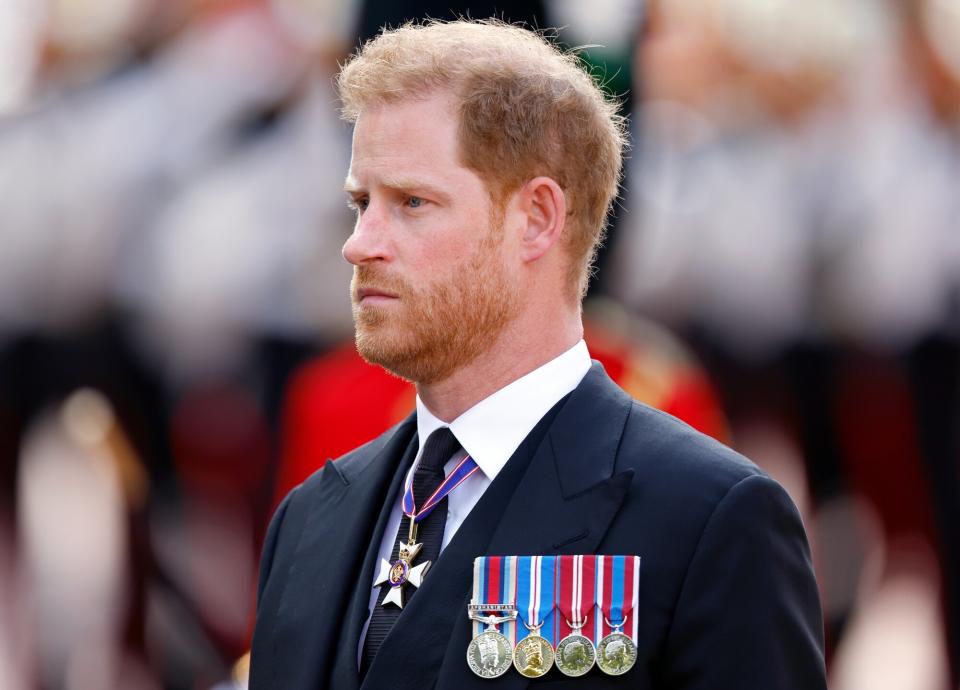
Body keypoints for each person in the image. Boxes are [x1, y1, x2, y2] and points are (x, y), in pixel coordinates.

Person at [249, 19, 826, 690]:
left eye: (411, 201)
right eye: (361, 202)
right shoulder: (311, 516)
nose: (360, 243)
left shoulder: (710, 519)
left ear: (537, 219)